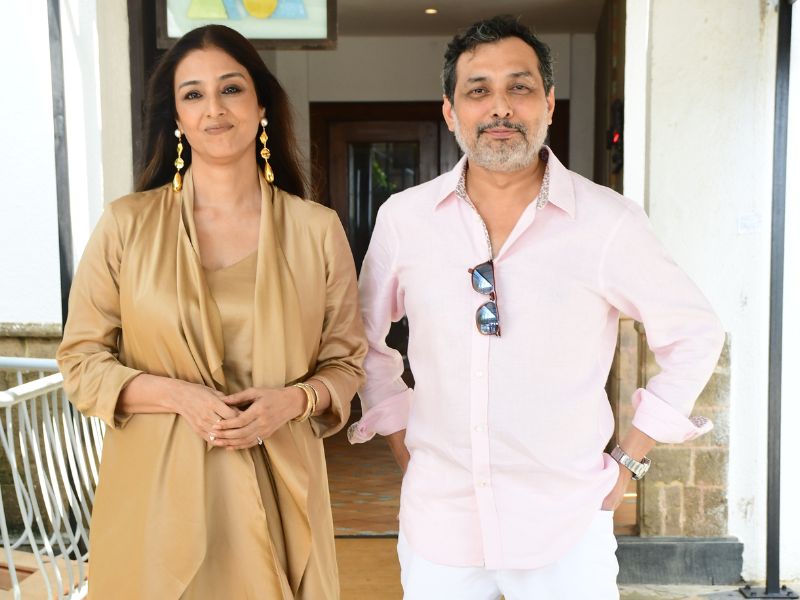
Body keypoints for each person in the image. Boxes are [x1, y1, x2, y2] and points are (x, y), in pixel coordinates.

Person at [349, 15, 725, 600]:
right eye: (478, 90)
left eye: (519, 87)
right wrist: (400, 438)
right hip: (440, 524)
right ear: (450, 111)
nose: (500, 107)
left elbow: (695, 334)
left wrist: (630, 461)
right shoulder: (405, 219)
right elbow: (361, 339)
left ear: (548, 102)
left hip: (566, 525)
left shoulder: (607, 222)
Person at [57, 24, 366, 599]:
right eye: (193, 94)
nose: (214, 108)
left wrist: (291, 401)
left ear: (261, 104)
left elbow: (347, 363)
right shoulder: (126, 225)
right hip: (155, 499)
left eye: (231, 88)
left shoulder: (316, 230)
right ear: (176, 116)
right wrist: (180, 397)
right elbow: (81, 362)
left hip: (280, 494)